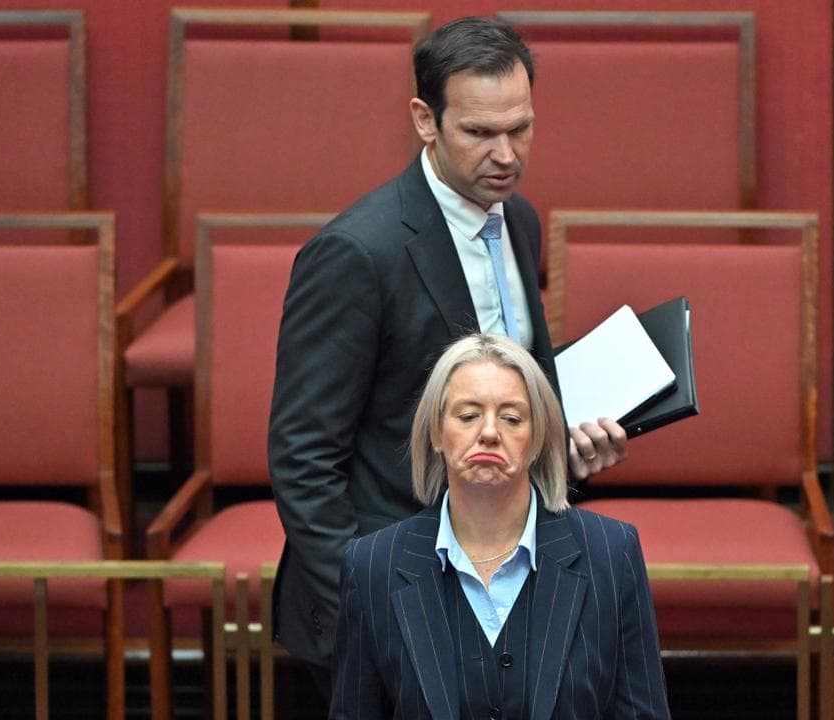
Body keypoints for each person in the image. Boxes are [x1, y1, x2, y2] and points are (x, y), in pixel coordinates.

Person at [269, 16, 629, 693]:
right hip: (395, 594)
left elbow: (507, 382)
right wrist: (368, 599)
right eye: (479, 133)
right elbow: (303, 457)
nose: (506, 155)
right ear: (425, 121)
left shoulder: (518, 220)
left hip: (506, 577)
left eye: (520, 128)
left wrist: (564, 442)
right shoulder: (355, 253)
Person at [330, 333, 669, 718]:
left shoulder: (611, 553)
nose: (489, 432)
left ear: (538, 438)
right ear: (436, 432)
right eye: (468, 415)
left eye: (511, 418)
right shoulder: (372, 566)